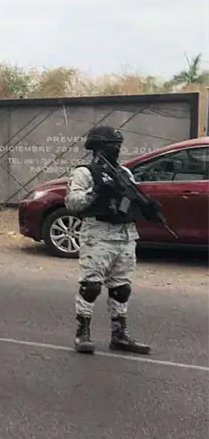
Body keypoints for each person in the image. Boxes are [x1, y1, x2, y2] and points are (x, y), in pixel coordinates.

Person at [64, 125, 156, 355]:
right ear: (97, 146)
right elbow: (72, 203)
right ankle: (82, 333)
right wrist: (95, 192)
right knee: (91, 286)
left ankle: (119, 335)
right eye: (111, 145)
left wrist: (147, 207)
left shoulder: (124, 173)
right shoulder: (84, 173)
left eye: (118, 145)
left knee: (122, 288)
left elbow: (132, 199)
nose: (116, 149)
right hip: (98, 235)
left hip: (125, 235)